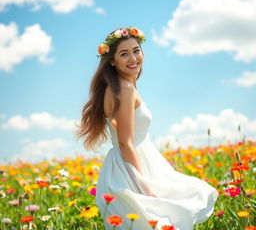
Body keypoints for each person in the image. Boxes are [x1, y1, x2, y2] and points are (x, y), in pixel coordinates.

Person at [75, 27, 219, 230]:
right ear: (112, 61)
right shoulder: (123, 89)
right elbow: (125, 142)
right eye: (124, 54)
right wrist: (144, 186)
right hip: (131, 168)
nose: (133, 58)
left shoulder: (122, 86)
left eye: (136, 50)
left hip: (133, 162)